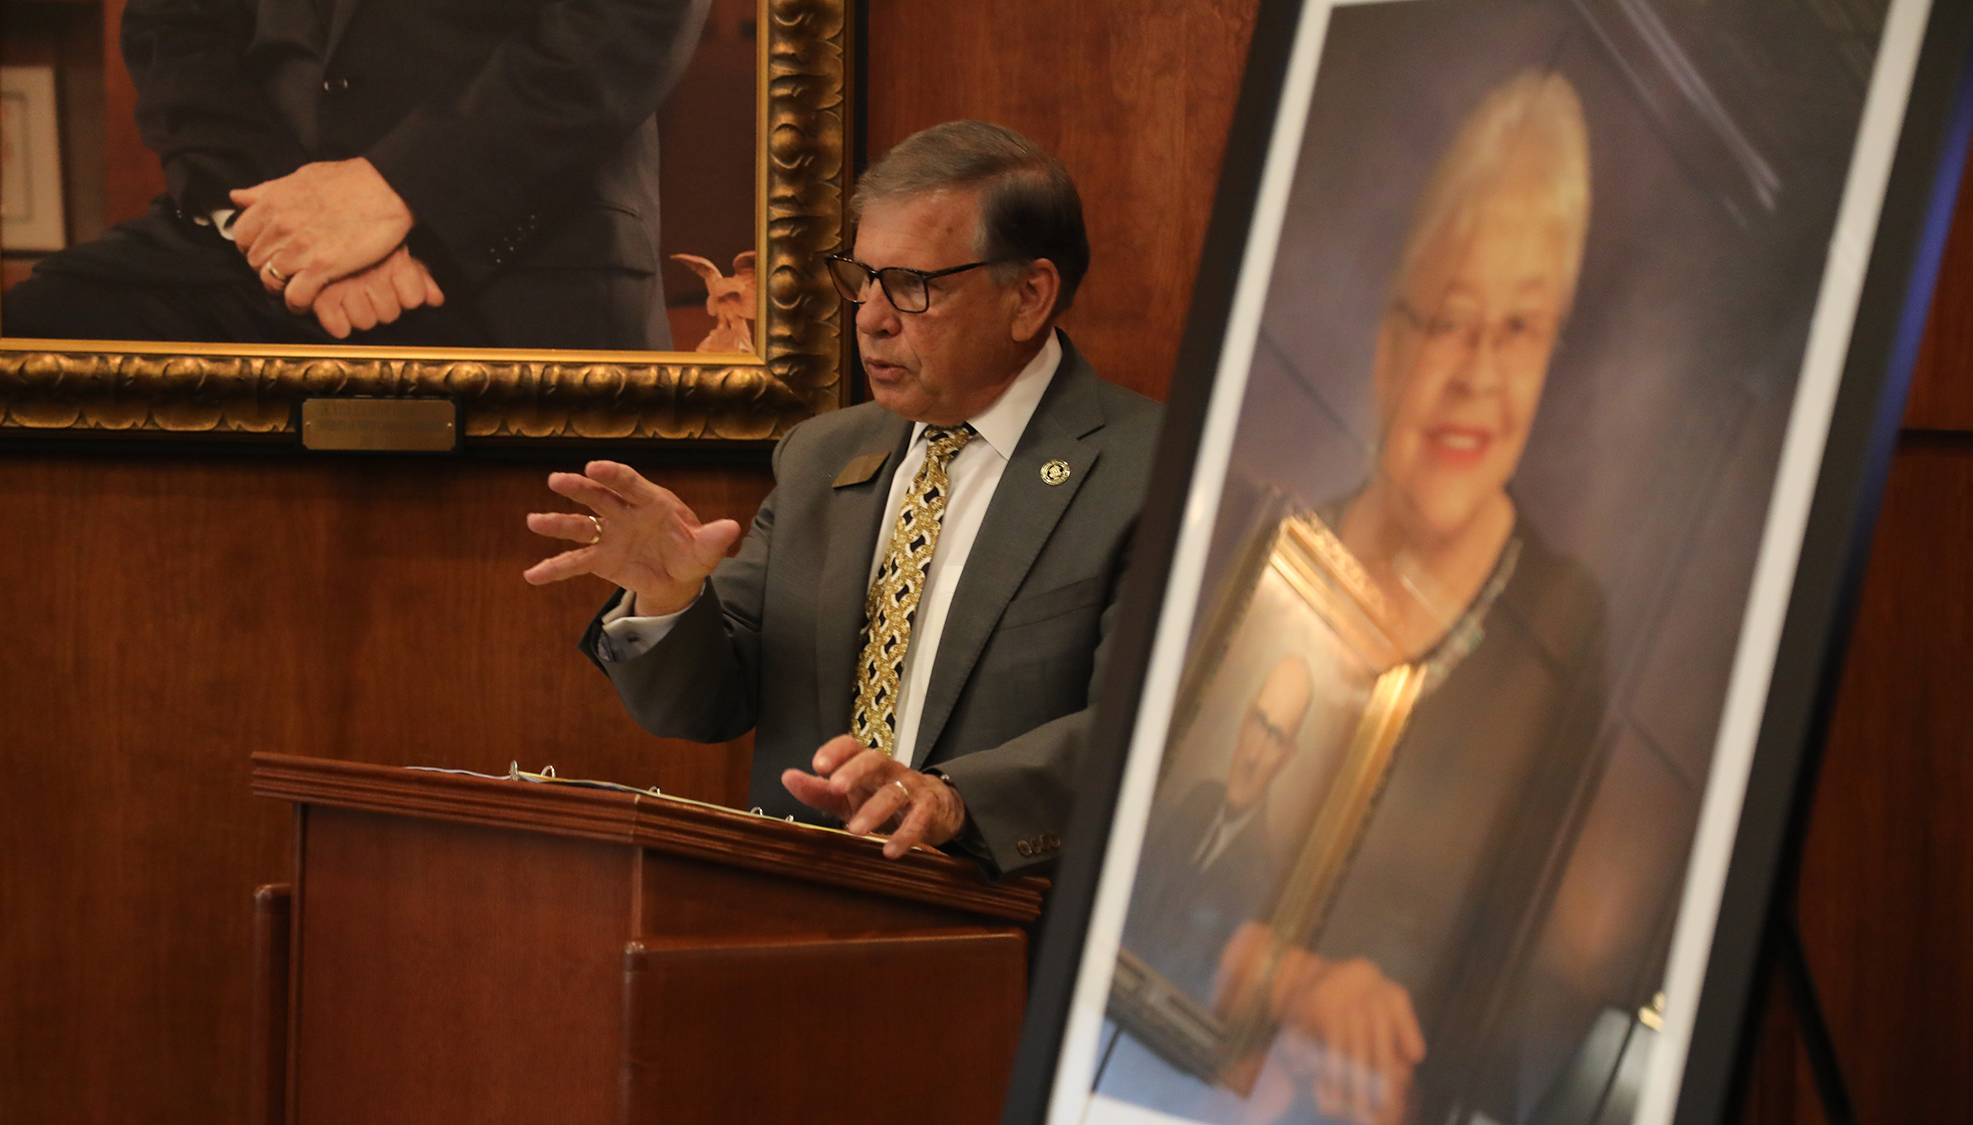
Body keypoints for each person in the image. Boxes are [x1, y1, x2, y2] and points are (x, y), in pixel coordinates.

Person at [1096, 69, 1606, 1125]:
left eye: (1518, 330)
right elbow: (1134, 876)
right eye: (1447, 320)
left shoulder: (1561, 632)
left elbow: (1514, 1013)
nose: (1475, 372)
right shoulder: (1270, 553)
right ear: (1384, 343)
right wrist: (1272, 975)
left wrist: (1393, 1082)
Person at [524, 121, 1162, 876]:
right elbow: (704, 704)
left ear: (1028, 296)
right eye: (862, 279)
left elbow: (1156, 729)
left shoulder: (1153, 469)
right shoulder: (821, 456)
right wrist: (665, 597)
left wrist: (955, 800)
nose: (870, 318)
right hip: (801, 924)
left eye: (912, 287)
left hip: (1007, 934)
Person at [2, 0, 705, 348]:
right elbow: (175, 30)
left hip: (527, 248)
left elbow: (628, 20)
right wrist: (291, 229)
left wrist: (400, 188)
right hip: (245, 232)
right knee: (13, 350)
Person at [1123, 655, 1315, 1003]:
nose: (1253, 754)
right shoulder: (1198, 800)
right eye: (1258, 722)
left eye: (1274, 737)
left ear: (1287, 755)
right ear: (1245, 720)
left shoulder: (1261, 876)